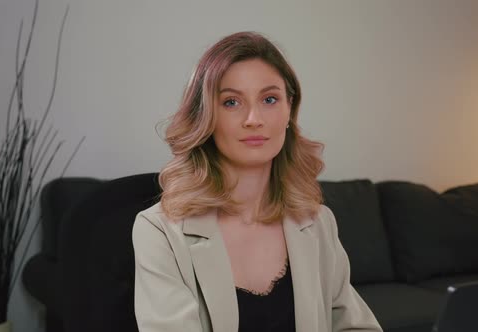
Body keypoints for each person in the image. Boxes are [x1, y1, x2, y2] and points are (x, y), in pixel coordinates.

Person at [132, 31, 383, 332]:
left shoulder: (317, 223)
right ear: (206, 116)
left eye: (269, 99)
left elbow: (354, 325)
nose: (254, 118)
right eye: (231, 102)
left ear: (289, 109)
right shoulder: (159, 232)